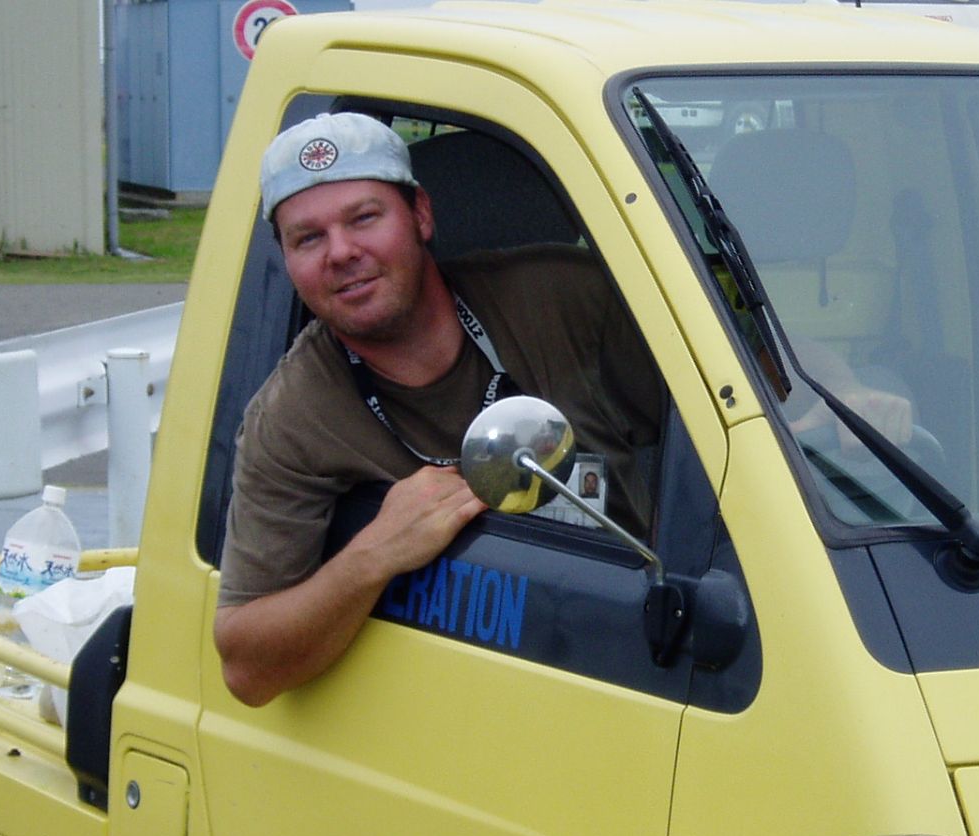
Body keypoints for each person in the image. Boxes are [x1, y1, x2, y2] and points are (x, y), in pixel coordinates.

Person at [213, 113, 665, 706]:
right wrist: (373, 555)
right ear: (287, 261)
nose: (341, 252)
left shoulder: (566, 300)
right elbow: (247, 669)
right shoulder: (292, 418)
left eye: (364, 218)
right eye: (308, 238)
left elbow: (743, 424)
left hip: (649, 657)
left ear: (421, 215)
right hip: (457, 697)